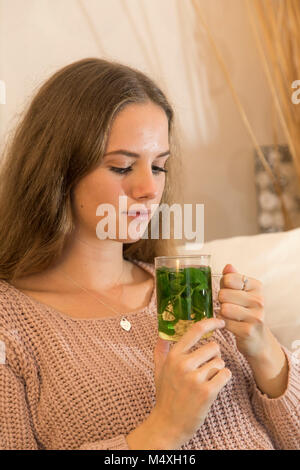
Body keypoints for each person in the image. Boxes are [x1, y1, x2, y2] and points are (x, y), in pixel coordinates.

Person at [0, 58, 299, 450]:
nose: (148, 189)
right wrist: (164, 431)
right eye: (122, 167)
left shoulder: (196, 292)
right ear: (57, 170)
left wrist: (266, 354)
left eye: (158, 167)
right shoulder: (13, 328)